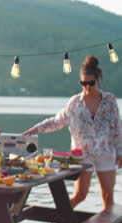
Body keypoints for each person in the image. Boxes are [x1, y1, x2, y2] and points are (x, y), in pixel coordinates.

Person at [22, 55, 122, 211]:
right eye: (83, 83)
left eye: (91, 83)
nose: (87, 87)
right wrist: (31, 131)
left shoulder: (110, 100)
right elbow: (55, 122)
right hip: (82, 154)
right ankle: (59, 221)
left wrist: (120, 152)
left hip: (106, 152)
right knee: (80, 194)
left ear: (98, 80)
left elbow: (117, 128)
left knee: (108, 196)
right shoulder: (74, 103)